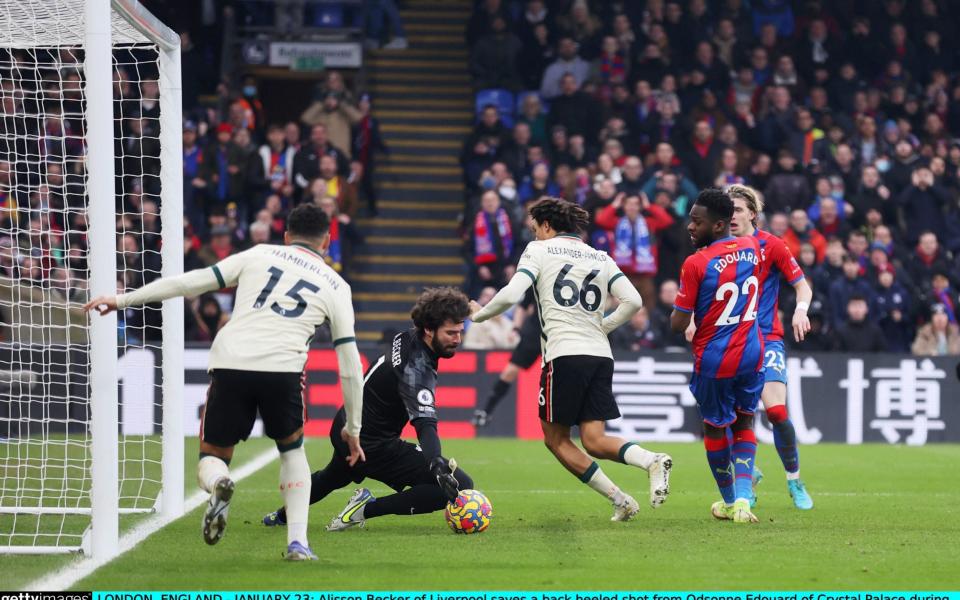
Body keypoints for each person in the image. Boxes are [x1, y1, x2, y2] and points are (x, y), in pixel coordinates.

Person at [83, 205, 363, 561]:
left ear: (287, 236)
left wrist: (122, 299)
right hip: (283, 369)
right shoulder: (337, 285)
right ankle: (297, 543)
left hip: (231, 362)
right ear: (326, 241)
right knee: (292, 451)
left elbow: (189, 282)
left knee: (213, 456)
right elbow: (351, 365)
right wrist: (353, 427)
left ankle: (218, 484)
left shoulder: (259, 254)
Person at [469, 197, 671, 521]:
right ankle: (651, 461)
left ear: (547, 226)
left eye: (536, 229)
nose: (535, 235)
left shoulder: (539, 250)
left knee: (555, 439)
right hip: (600, 355)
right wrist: (602, 326)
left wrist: (478, 316)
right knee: (593, 439)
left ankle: (619, 497)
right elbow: (633, 301)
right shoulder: (600, 256)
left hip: (564, 355)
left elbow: (510, 294)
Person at [261, 288, 475, 530]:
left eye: (460, 331)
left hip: (347, 425)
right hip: (371, 445)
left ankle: (280, 517)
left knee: (332, 477)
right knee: (460, 485)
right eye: (451, 333)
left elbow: (439, 309)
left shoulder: (408, 336)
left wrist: (470, 309)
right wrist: (436, 462)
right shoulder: (415, 371)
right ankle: (364, 508)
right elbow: (425, 424)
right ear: (429, 329)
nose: (457, 339)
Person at [670, 188, 764, 524]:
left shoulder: (696, 263)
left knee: (714, 428)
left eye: (697, 221)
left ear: (720, 224)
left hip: (714, 359)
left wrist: (687, 311)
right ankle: (743, 500)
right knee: (744, 422)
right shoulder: (752, 248)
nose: (690, 227)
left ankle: (729, 502)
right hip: (752, 354)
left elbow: (678, 322)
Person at [727, 184, 814, 510]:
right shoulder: (718, 246)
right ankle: (748, 476)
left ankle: (794, 479)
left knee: (776, 412)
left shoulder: (772, 245)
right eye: (727, 210)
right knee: (728, 417)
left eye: (737, 209)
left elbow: (801, 287)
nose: (731, 216)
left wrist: (800, 310)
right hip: (729, 341)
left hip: (766, 338)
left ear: (752, 212)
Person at [472, 289, 542, 428]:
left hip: (560, 334)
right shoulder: (538, 281)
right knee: (509, 372)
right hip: (535, 333)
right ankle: (486, 411)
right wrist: (516, 328)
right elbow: (522, 306)